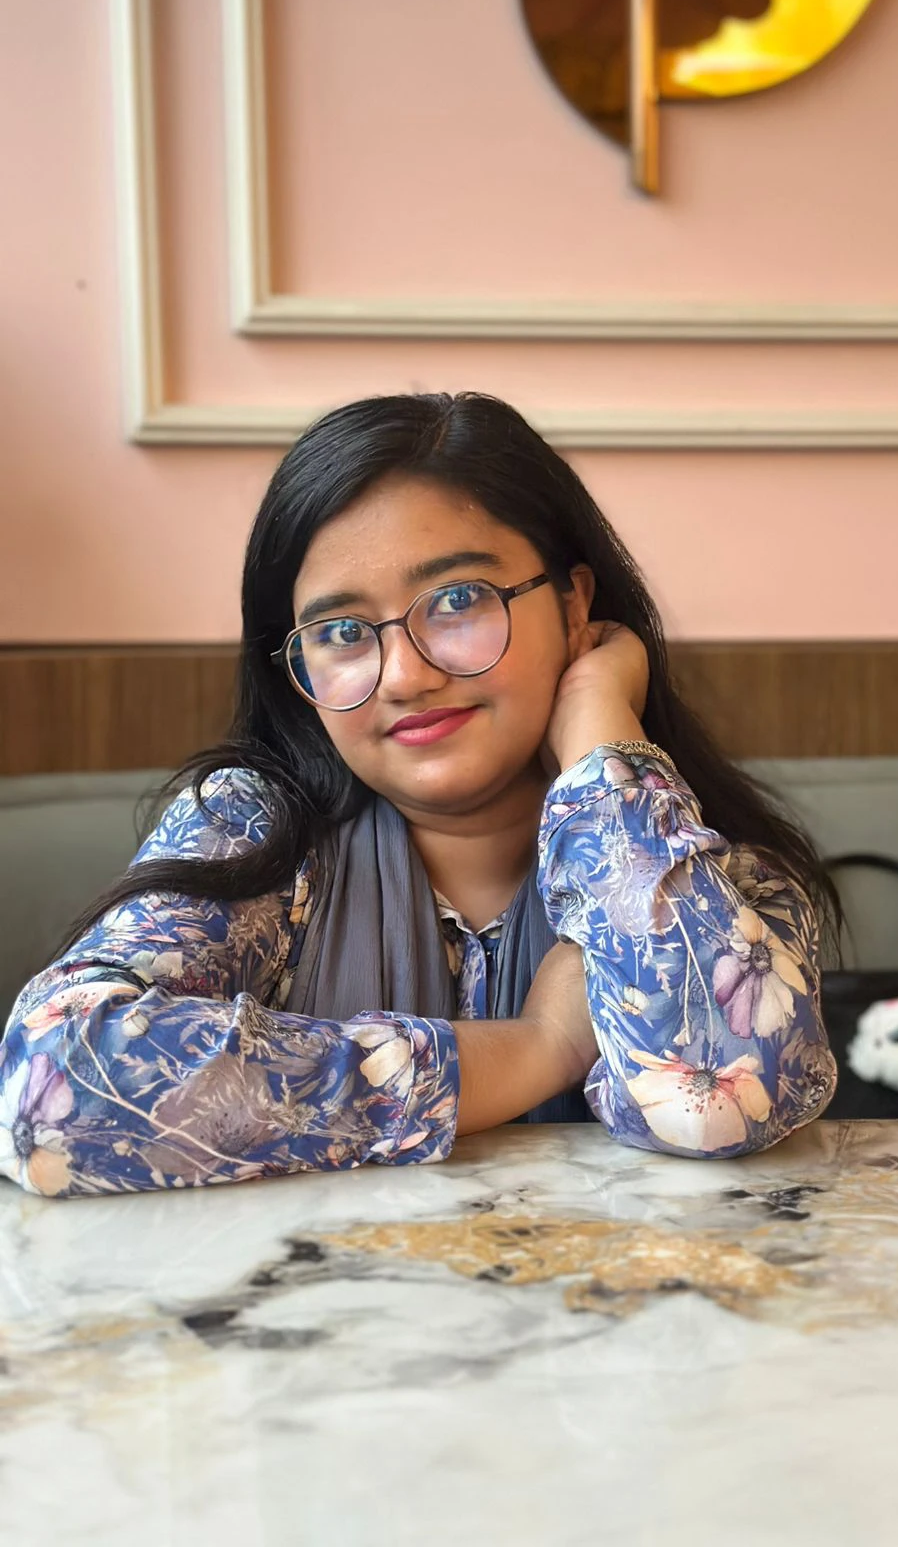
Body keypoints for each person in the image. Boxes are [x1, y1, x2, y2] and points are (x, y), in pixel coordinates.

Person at [0, 393, 837, 1198]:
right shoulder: (254, 836)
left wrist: (600, 742)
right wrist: (536, 1048)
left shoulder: (701, 866)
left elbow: (724, 1100)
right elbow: (51, 1084)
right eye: (340, 632)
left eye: (459, 600)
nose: (405, 675)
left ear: (573, 604)